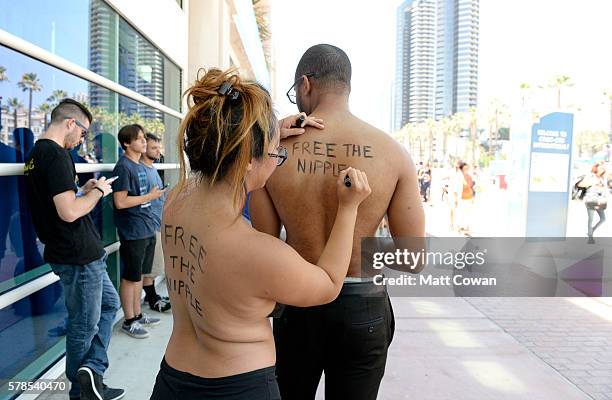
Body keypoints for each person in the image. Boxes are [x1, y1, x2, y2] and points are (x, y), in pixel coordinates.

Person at [150, 67, 371, 400]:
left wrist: (272, 134)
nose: (277, 160)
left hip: (172, 380)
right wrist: (349, 207)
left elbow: (229, 156)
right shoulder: (257, 252)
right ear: (246, 160)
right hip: (240, 387)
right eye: (274, 154)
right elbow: (327, 284)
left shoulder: (176, 200)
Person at [249, 44, 425, 400]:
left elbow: (261, 242)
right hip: (363, 308)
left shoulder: (274, 154)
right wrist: (360, 241)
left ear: (305, 84)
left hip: (297, 301)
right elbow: (412, 259)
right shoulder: (392, 153)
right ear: (346, 86)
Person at [23, 99, 124, 400]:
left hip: (74, 252)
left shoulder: (36, 154)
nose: (82, 140)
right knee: (83, 325)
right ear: (70, 123)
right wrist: (100, 193)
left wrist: (85, 190)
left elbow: (57, 203)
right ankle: (81, 393)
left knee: (108, 305)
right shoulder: (55, 155)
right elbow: (68, 212)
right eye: (83, 133)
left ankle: (91, 372)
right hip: (77, 255)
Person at [112, 124, 165, 339]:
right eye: (139, 139)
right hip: (133, 231)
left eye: (144, 138)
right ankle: (129, 320)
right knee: (131, 277)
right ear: (126, 143)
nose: (144, 142)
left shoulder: (140, 166)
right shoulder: (124, 167)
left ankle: (138, 314)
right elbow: (120, 202)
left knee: (140, 276)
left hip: (147, 229)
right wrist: (149, 198)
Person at [141, 132, 171, 312]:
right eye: (154, 148)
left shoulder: (153, 168)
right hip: (149, 226)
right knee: (150, 267)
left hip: (157, 223)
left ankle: (151, 296)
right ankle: (152, 298)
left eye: (158, 147)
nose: (158, 151)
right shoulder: (141, 170)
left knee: (154, 265)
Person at [579, 162, 608, 244]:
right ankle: (590, 238)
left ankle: (591, 231)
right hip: (591, 199)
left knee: (603, 219)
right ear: (596, 168)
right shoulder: (591, 176)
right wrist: (592, 183)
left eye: (603, 168)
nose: (602, 169)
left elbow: (604, 189)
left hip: (600, 201)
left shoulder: (603, 178)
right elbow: (582, 184)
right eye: (600, 167)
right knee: (590, 219)